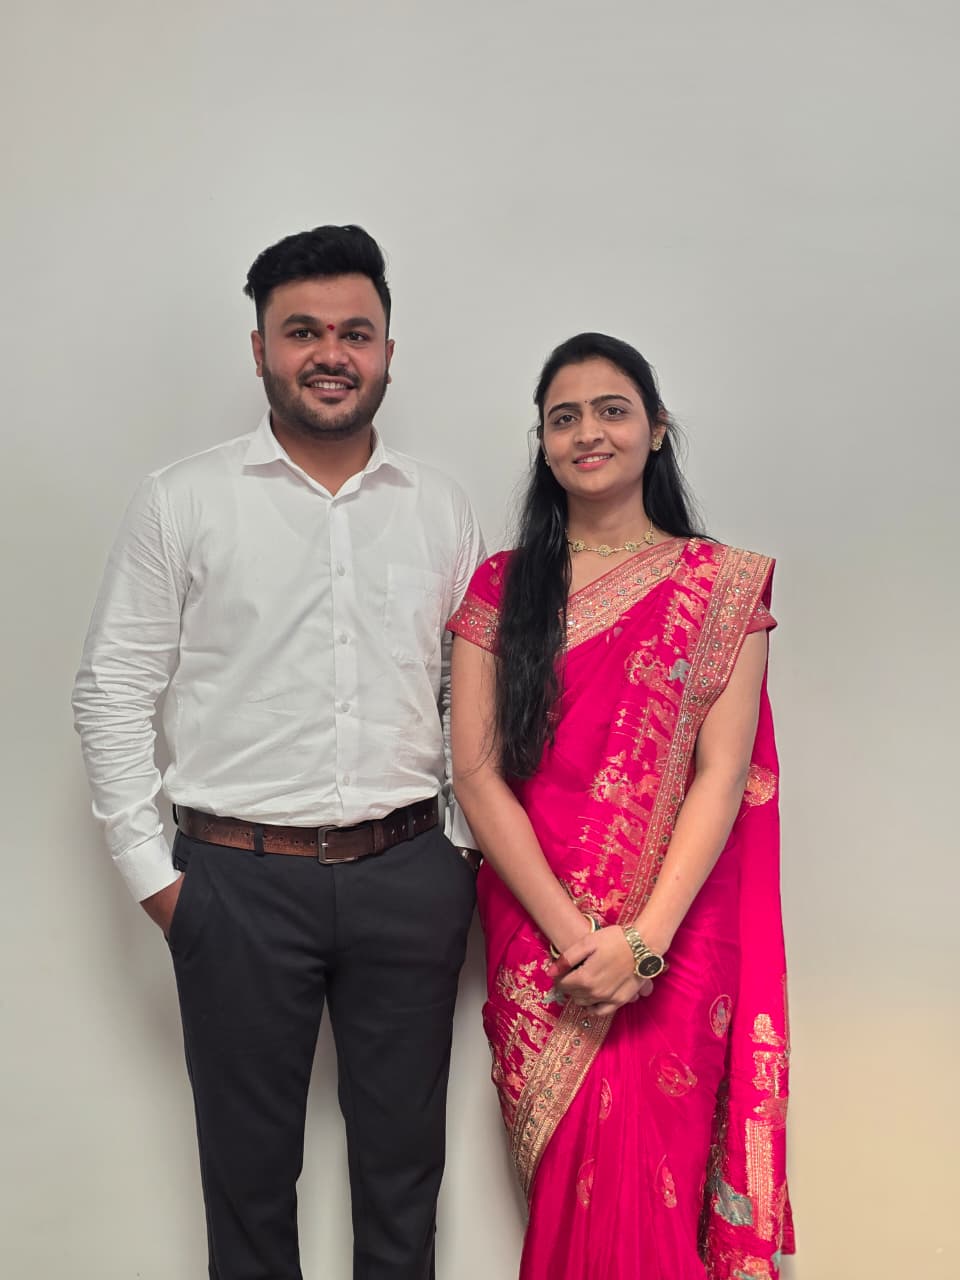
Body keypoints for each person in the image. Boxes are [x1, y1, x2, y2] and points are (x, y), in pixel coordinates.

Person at [72, 224, 484, 1280]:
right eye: (303, 331)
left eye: (356, 332)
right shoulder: (183, 499)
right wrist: (158, 880)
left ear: (388, 350)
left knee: (405, 1179)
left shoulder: (442, 507)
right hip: (235, 883)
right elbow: (112, 688)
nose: (331, 353)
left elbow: (464, 695)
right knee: (249, 1187)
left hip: (410, 876)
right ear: (260, 348)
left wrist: (457, 850)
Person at [448, 333, 793, 1280]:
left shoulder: (721, 583)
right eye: (564, 418)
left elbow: (722, 775)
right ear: (543, 442)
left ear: (657, 428)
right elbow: (477, 774)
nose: (588, 433)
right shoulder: (500, 586)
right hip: (543, 944)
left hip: (674, 939)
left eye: (612, 410)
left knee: (657, 1191)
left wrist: (641, 943)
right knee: (574, 1194)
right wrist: (579, 943)